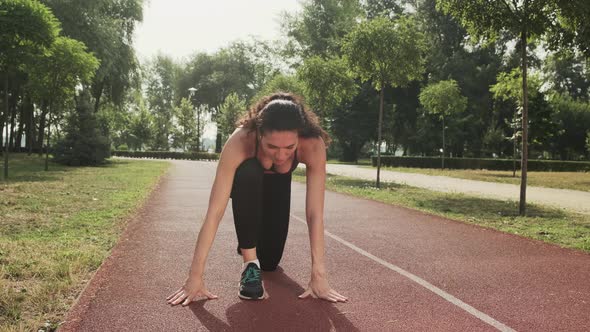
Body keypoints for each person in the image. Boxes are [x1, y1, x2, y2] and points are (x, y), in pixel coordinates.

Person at [166, 92, 348, 305]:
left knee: (270, 262)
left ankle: (250, 239)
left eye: (289, 148)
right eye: (272, 147)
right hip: (247, 186)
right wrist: (195, 276)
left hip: (279, 186)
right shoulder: (241, 140)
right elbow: (215, 212)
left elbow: (315, 214)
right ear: (259, 134)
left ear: (299, 135)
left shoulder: (312, 144)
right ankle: (250, 263)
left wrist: (319, 275)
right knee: (248, 171)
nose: (280, 156)